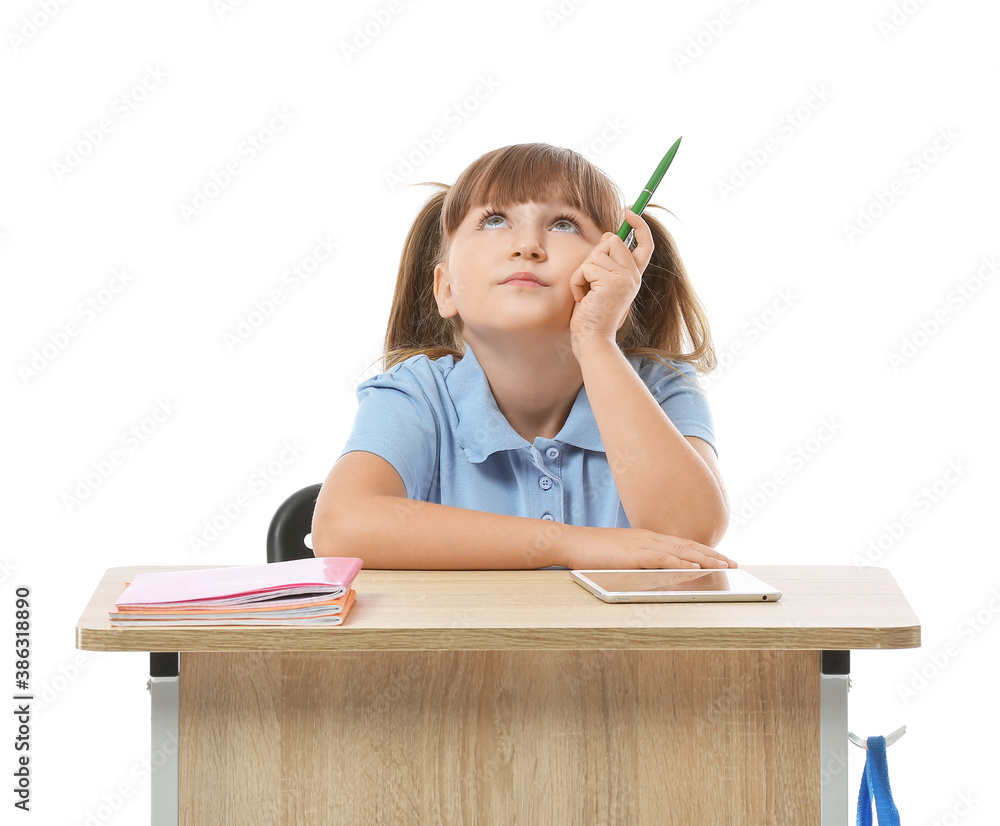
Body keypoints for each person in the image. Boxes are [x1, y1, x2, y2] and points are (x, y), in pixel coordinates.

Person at [312, 143, 733, 570]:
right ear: (446, 289)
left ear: (612, 274)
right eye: (495, 221)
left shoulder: (659, 387)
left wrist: (596, 340)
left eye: (565, 225)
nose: (528, 245)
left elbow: (687, 535)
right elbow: (341, 526)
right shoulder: (417, 393)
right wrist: (569, 545)